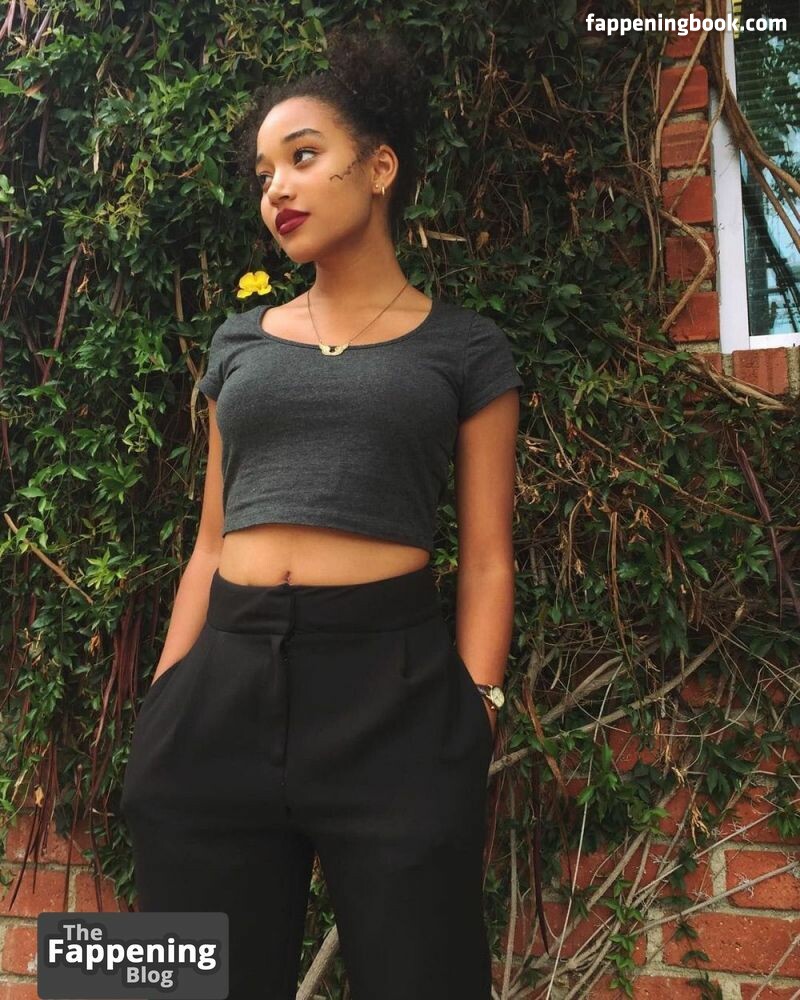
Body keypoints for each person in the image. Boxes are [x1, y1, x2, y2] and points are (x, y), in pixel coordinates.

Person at [120, 23, 522, 1000]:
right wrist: (166, 699)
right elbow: (210, 541)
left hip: (393, 697)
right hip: (219, 690)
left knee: (425, 979)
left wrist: (475, 709)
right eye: (264, 173)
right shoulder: (240, 342)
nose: (277, 189)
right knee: (190, 981)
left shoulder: (466, 349)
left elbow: (486, 557)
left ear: (379, 167)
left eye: (303, 157)